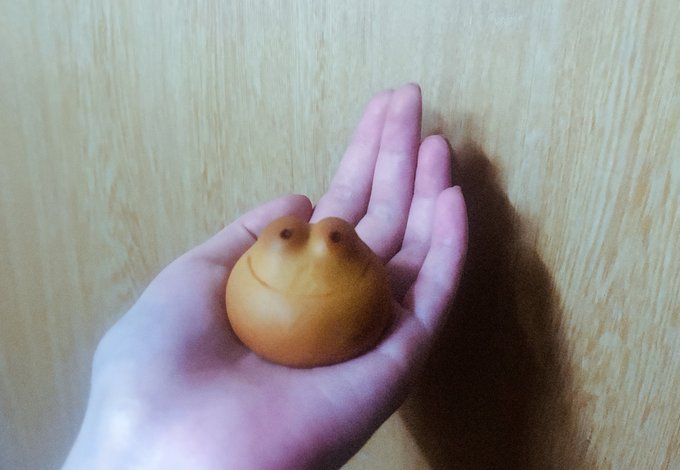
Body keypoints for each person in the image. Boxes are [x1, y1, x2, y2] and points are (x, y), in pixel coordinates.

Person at [63, 84, 468, 469]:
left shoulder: (354, 279)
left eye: (332, 239)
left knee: (328, 238)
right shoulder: (264, 276)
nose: (316, 239)